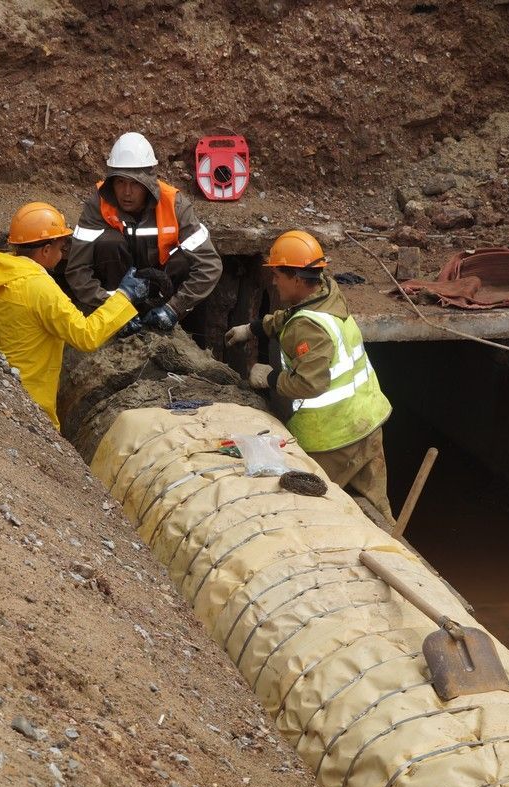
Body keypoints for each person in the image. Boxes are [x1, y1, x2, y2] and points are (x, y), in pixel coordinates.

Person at [225, 230, 396, 524]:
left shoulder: (309, 329)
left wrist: (268, 377)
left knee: (317, 510)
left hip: (334, 436)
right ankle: (399, 552)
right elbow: (293, 313)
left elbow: (309, 383)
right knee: (379, 514)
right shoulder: (327, 292)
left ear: (296, 278)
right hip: (369, 420)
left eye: (278, 274)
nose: (273, 281)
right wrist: (255, 328)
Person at [0, 201, 153, 430]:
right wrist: (124, 296)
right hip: (30, 401)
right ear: (45, 250)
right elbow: (85, 336)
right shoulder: (39, 288)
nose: (63, 252)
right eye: (61, 247)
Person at [65, 132, 222, 334]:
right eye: (120, 182)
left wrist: (174, 307)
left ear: (148, 183)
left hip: (163, 291)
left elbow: (209, 265)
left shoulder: (174, 204)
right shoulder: (99, 203)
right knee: (108, 243)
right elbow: (78, 270)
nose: (126, 192)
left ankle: (167, 324)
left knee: (184, 260)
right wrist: (112, 310)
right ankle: (120, 325)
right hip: (116, 297)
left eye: (135, 183)